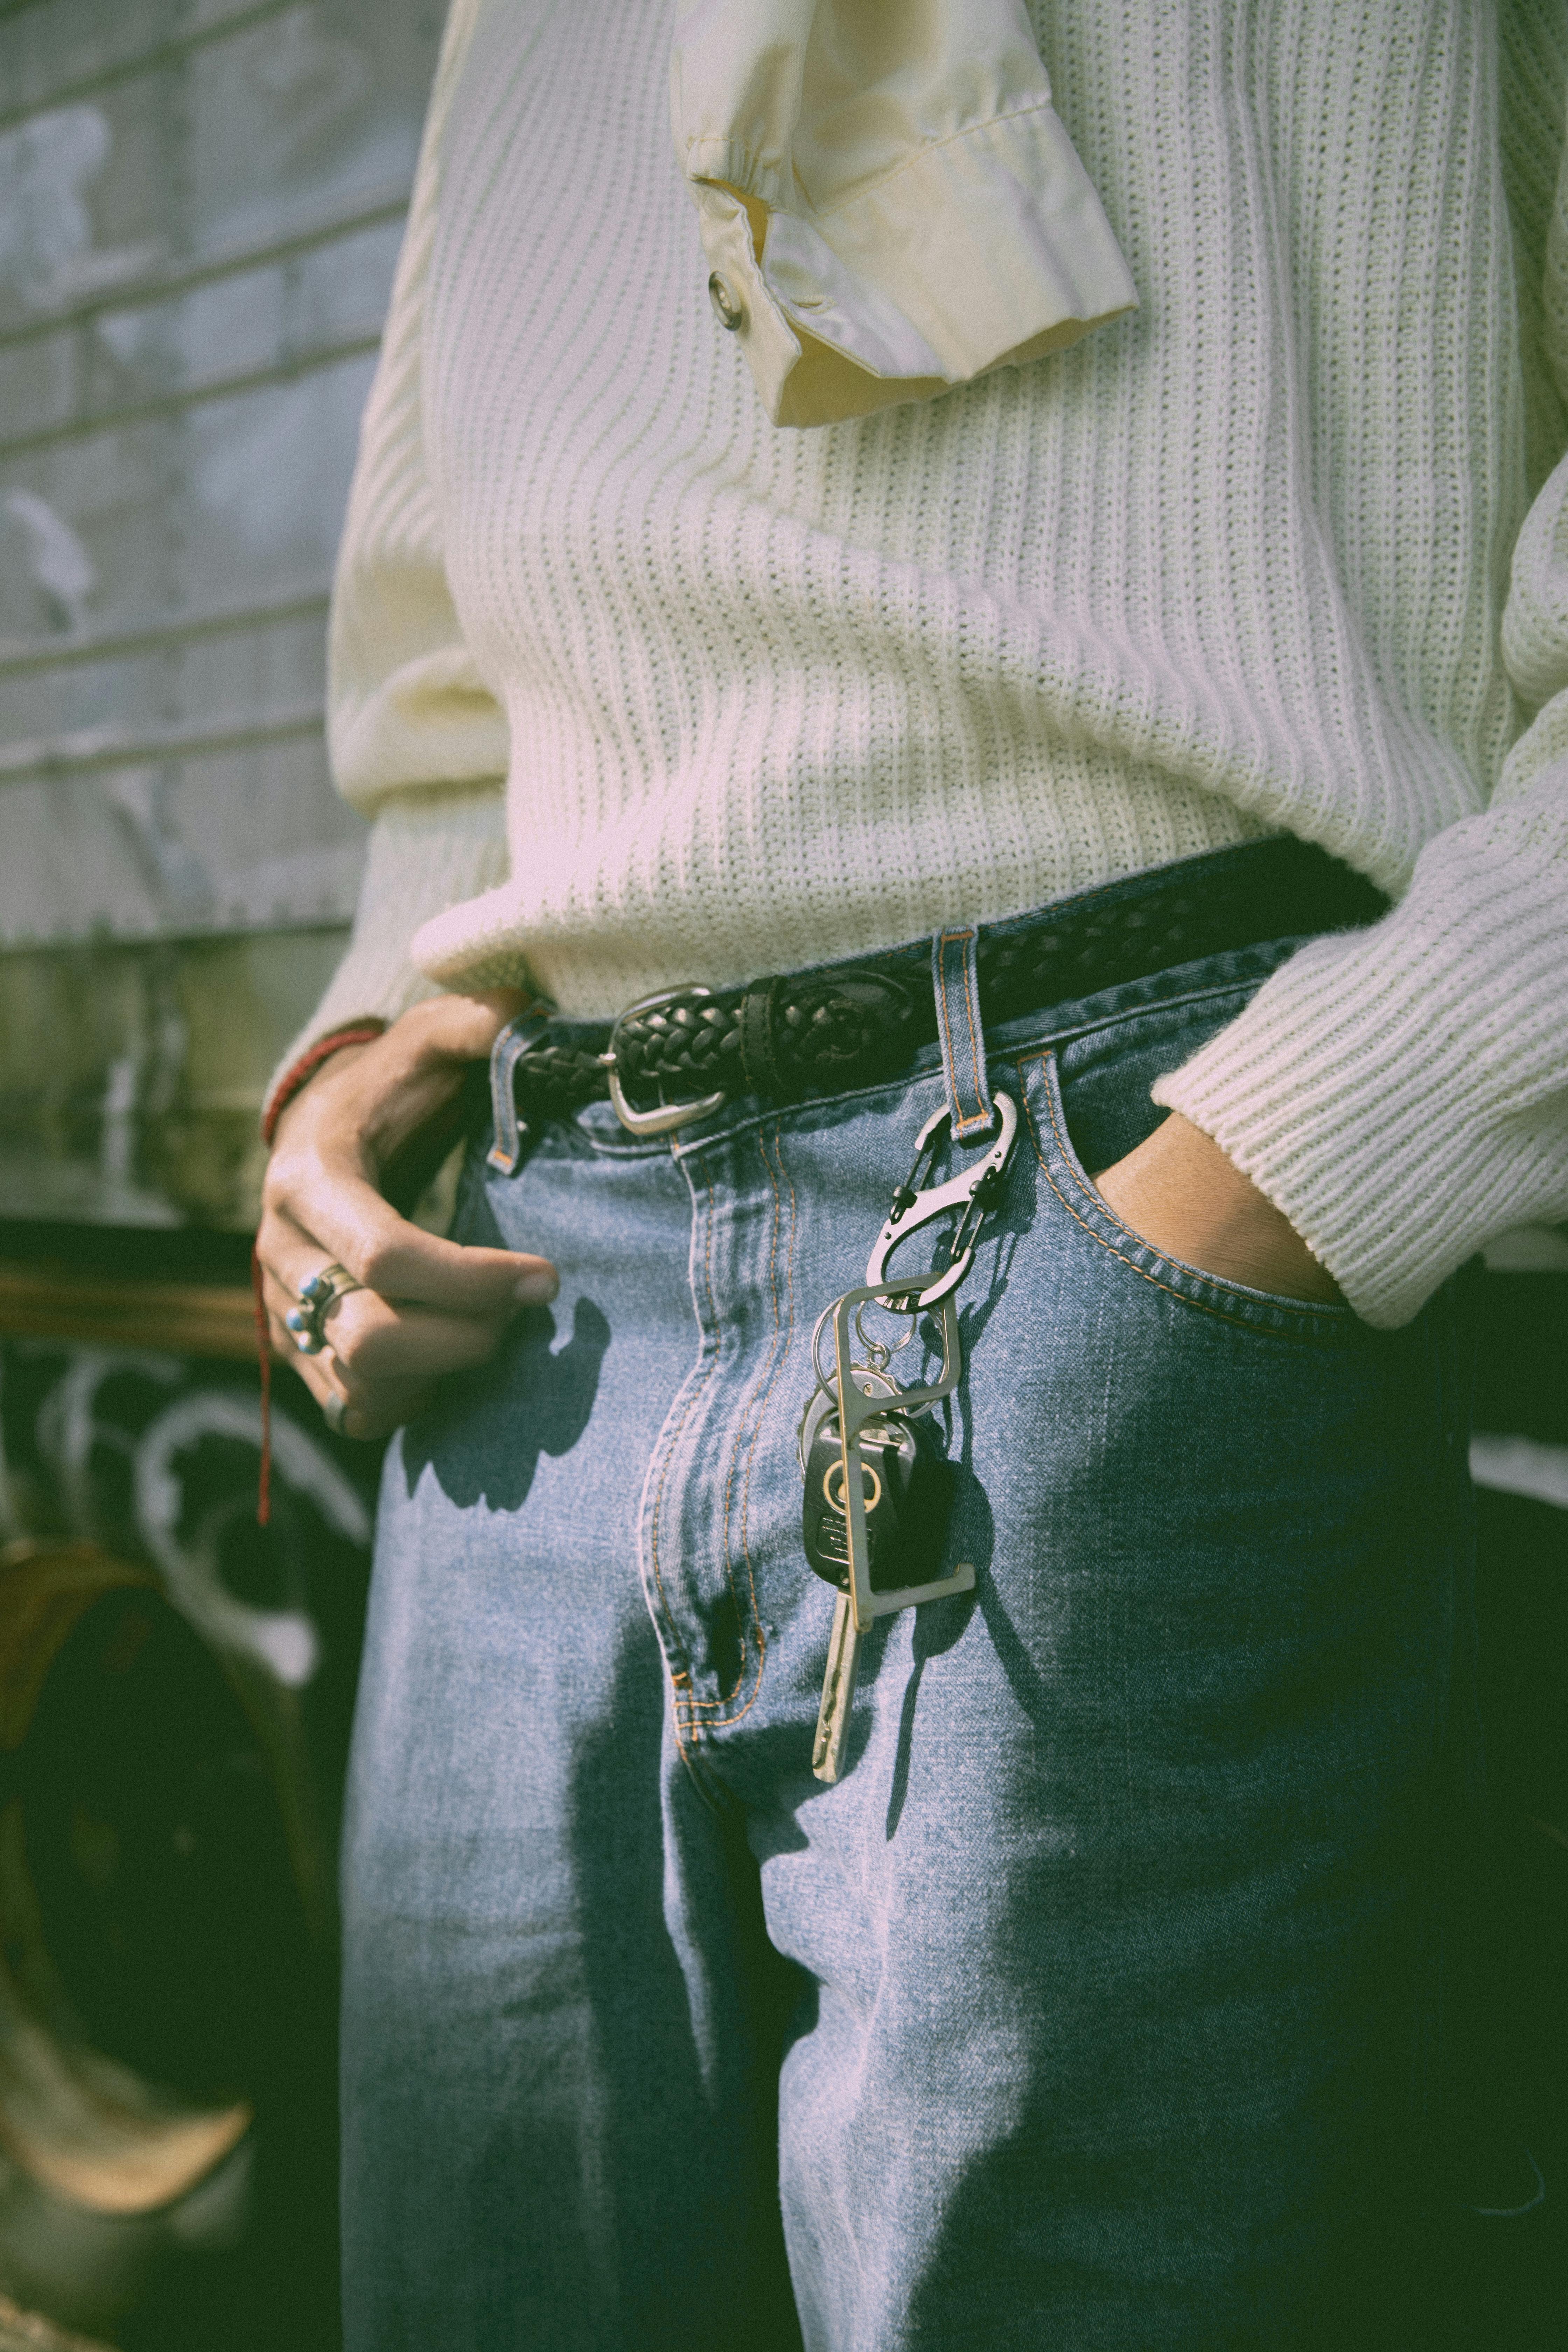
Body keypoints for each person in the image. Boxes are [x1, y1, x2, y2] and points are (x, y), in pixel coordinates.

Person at [254, 4, 1568, 2345]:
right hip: (539, 1267)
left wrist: (1312, 1148)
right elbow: (444, 646)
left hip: (1132, 1193)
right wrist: (372, 1037)